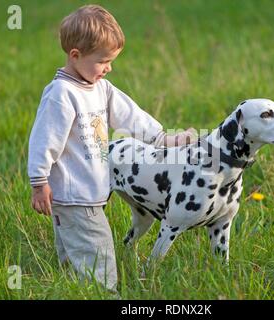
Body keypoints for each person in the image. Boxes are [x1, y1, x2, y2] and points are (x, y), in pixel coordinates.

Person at [27, 4, 196, 292]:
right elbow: (45, 139)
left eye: (112, 60)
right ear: (75, 55)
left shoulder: (100, 88)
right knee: (100, 262)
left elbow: (132, 116)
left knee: (75, 259)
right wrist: (39, 181)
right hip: (75, 196)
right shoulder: (62, 94)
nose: (109, 68)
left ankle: (72, 291)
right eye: (103, 61)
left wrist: (163, 138)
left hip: (90, 193)